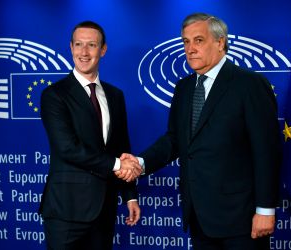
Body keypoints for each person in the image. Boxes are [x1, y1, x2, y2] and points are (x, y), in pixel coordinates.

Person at [118, 13, 281, 250]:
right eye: (186, 41)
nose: (190, 49)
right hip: (199, 217)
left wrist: (265, 209)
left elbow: (267, 151)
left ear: (220, 42)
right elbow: (175, 140)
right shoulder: (184, 87)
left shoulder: (249, 84)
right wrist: (140, 163)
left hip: (242, 220)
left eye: (198, 40)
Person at [39, 20, 142, 250]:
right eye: (78, 45)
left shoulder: (115, 96)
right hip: (66, 211)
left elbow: (122, 147)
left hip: (103, 210)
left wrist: (130, 196)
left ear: (103, 50)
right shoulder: (54, 95)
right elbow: (68, 148)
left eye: (92, 45)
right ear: (71, 47)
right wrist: (118, 164)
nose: (84, 52)